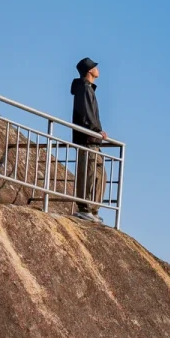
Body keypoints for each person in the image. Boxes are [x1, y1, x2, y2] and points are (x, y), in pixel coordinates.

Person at [70, 57, 108, 221]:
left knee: (100, 175)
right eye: (95, 67)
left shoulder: (88, 89)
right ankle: (85, 208)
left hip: (93, 140)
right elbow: (86, 114)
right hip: (87, 139)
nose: (98, 69)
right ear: (89, 71)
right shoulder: (84, 89)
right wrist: (96, 130)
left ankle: (93, 209)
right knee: (90, 173)